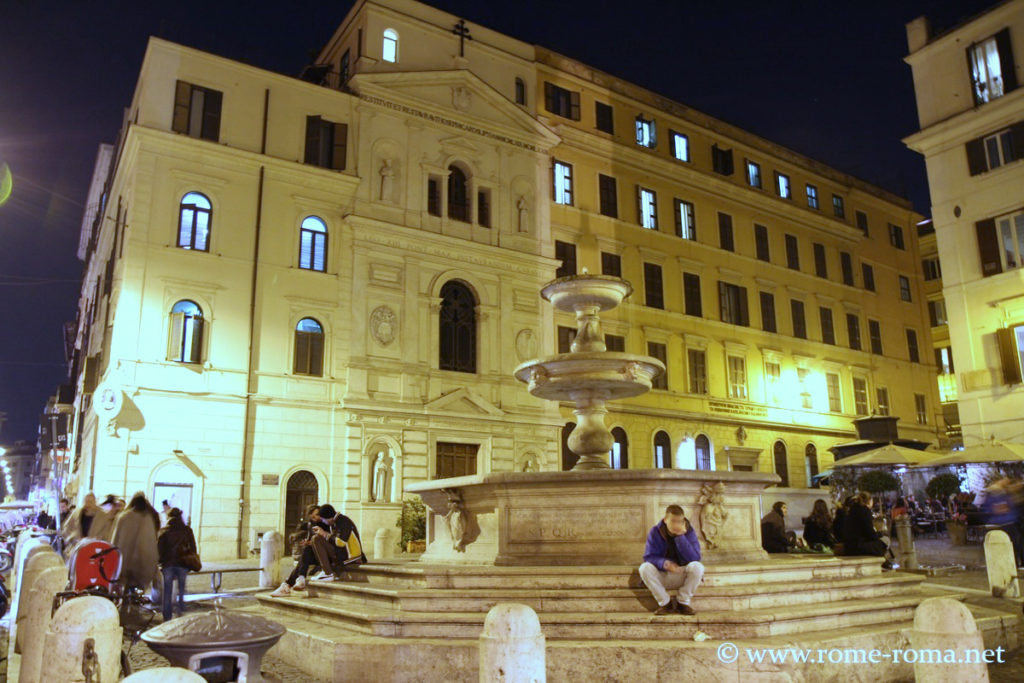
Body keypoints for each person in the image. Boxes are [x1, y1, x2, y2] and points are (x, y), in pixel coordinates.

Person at [638, 504, 704, 616]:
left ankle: (682, 602)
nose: (676, 525)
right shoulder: (655, 532)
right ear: (665, 520)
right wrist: (664, 564)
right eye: (673, 521)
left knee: (698, 567)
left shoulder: (689, 532)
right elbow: (648, 557)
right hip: (663, 574)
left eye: (679, 521)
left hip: (682, 575)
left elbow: (695, 558)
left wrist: (680, 537)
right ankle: (665, 603)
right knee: (644, 568)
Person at [111, 491, 161, 590]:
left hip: (124, 560)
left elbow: (115, 538)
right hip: (142, 562)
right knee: (136, 589)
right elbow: (152, 541)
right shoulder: (149, 517)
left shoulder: (123, 517)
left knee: (125, 586)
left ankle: (125, 602)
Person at [156, 507, 197, 621]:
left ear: (168, 517)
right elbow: (193, 547)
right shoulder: (187, 530)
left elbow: (159, 549)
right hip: (183, 563)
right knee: (181, 589)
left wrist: (160, 563)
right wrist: (191, 561)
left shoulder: (164, 531)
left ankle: (167, 616)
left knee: (167, 591)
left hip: (167, 565)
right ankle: (180, 612)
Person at [311, 504, 367, 581]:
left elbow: (341, 542)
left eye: (323, 519)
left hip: (351, 555)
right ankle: (326, 571)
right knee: (316, 539)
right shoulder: (333, 523)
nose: (323, 521)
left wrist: (325, 534)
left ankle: (328, 573)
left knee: (317, 539)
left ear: (329, 517)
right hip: (342, 552)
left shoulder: (343, 521)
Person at [841, 491, 892, 569]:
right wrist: (879, 536)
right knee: (884, 542)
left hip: (849, 546)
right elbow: (870, 533)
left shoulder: (851, 510)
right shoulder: (865, 511)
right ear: (869, 501)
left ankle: (885, 562)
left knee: (879, 543)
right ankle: (884, 562)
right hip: (858, 546)